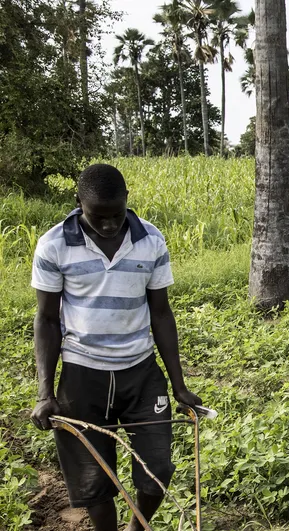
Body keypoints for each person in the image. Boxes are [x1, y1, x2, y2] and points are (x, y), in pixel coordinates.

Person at [29, 163, 202, 531]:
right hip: (82, 376)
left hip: (140, 373)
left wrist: (179, 385)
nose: (108, 225)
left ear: (127, 200)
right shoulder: (54, 244)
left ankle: (137, 528)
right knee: (93, 480)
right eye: (98, 217)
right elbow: (46, 320)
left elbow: (161, 313)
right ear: (79, 203)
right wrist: (46, 391)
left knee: (158, 469)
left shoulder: (150, 240)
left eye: (116, 215)